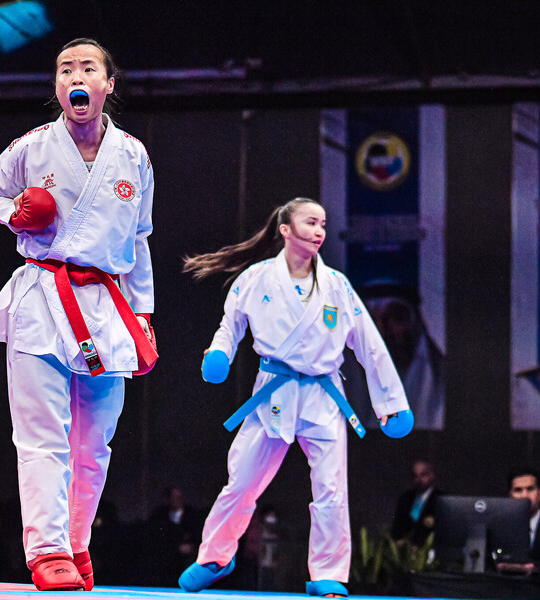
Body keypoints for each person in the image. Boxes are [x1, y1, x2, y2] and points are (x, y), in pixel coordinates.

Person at [0, 38, 156, 591]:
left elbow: (140, 236)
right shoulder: (31, 146)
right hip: (41, 296)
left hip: (106, 303)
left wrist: (143, 311)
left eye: (88, 68)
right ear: (58, 88)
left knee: (94, 442)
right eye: (65, 70)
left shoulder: (134, 155)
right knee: (41, 434)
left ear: (108, 85)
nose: (76, 76)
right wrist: (16, 218)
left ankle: (77, 543)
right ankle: (47, 550)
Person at [179, 198, 409, 598]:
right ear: (285, 229)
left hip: (324, 395)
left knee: (331, 490)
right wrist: (219, 354)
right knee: (242, 482)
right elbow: (230, 324)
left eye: (323, 224)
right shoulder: (255, 278)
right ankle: (215, 556)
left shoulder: (337, 284)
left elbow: (369, 345)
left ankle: (329, 574)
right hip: (274, 391)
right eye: (311, 222)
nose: (320, 230)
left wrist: (391, 404)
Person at [342, 281, 445, 430]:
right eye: (371, 320)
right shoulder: (339, 378)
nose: (382, 330)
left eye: (394, 318)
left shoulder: (442, 380)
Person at [496, 467, 540, 574]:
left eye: (530, 489)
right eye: (518, 490)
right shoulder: (499, 526)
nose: (525, 495)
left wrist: (533, 569)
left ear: (539, 493)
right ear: (510, 495)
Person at [390, 458, 441, 546]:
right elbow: (397, 525)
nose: (419, 479)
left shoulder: (441, 499)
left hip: (429, 550)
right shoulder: (405, 498)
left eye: (423, 475)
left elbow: (442, 530)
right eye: (415, 476)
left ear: (431, 475)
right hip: (405, 550)